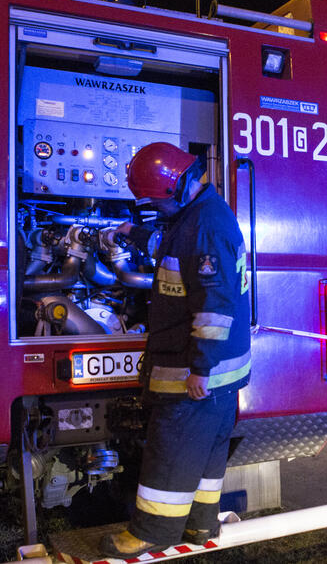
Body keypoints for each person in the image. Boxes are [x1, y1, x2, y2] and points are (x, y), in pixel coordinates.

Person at [101, 142, 251, 558]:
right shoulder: (199, 214)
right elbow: (173, 246)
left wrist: (199, 369)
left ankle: (152, 532)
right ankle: (200, 524)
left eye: (158, 203)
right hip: (220, 372)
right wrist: (132, 233)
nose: (158, 210)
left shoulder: (204, 227)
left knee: (172, 446)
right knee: (204, 453)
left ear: (180, 185)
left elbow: (214, 307)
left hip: (196, 369)